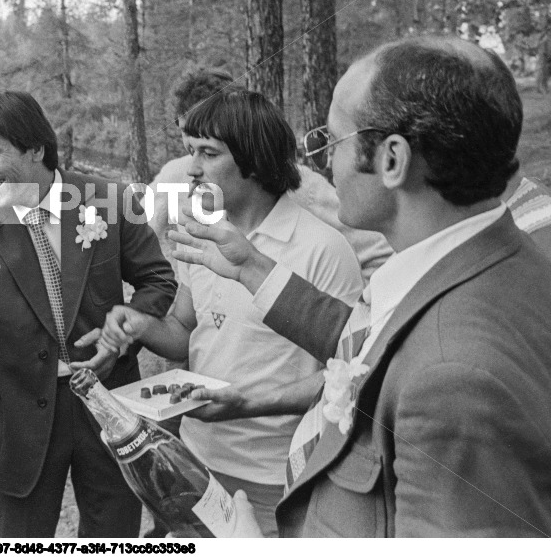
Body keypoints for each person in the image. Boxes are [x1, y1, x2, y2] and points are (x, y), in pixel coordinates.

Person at [171, 36, 551, 536]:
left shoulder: (454, 378)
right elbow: (373, 347)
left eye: (332, 142)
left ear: (392, 160)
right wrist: (252, 268)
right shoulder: (480, 262)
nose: (324, 163)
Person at [101, 89, 363, 536]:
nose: (193, 168)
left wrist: (244, 404)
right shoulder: (199, 234)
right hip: (190, 459)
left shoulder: (323, 249)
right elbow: (185, 330)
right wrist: (141, 324)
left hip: (276, 474)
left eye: (208, 153)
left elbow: (345, 375)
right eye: (189, 152)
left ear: (256, 160)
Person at [0, 91, 177, 538]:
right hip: (22, 414)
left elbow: (158, 281)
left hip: (111, 404)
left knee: (113, 535)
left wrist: (127, 323)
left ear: (36, 148)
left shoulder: (111, 199)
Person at [149, 68, 392, 284]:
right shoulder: (173, 176)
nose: (193, 143)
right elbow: (139, 235)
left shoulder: (299, 184)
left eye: (211, 137)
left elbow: (376, 251)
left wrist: (345, 315)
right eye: (186, 132)